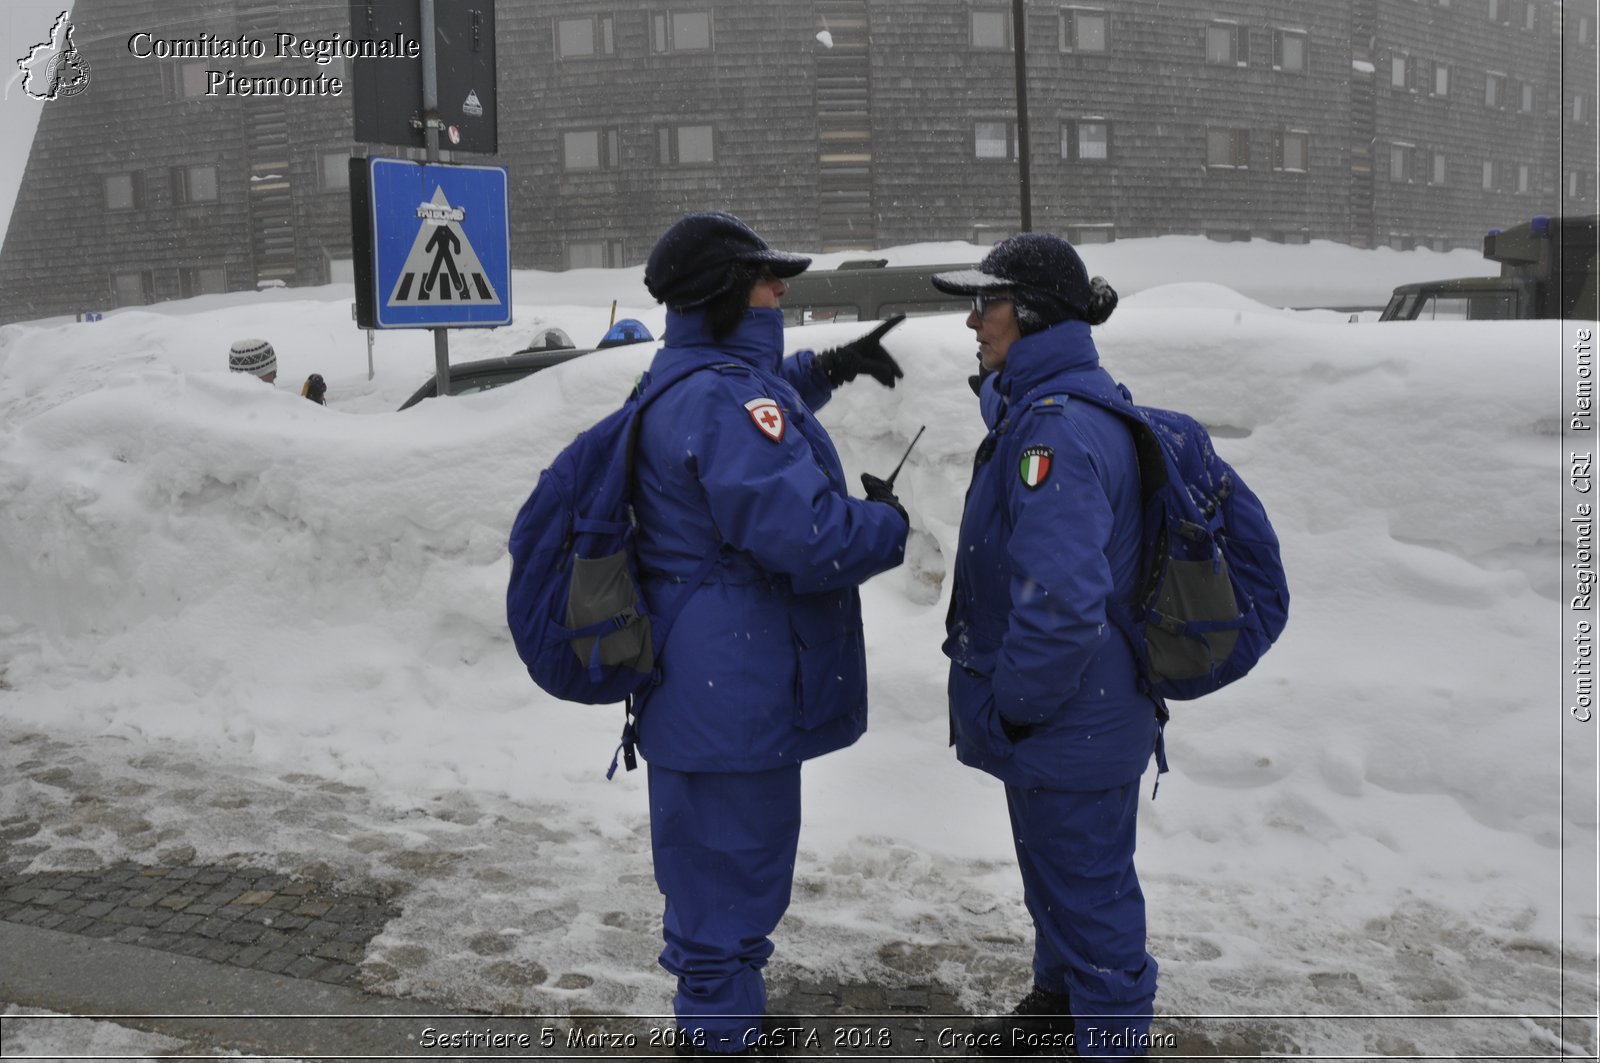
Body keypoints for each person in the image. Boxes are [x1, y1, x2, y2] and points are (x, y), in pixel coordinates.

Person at [632, 211, 910, 1056]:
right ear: (725, 295)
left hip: (704, 690)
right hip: (733, 701)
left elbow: (753, 411)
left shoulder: (687, 375)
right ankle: (721, 1033)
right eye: (764, 279)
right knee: (726, 893)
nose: (780, 290)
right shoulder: (723, 398)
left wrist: (824, 367)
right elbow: (809, 535)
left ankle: (727, 1016)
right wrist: (887, 524)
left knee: (722, 886)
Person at [931, 233, 1162, 1061]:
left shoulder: (1054, 435)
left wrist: (1016, 706)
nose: (972, 322)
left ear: (1027, 314)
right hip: (1077, 717)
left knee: (1093, 904)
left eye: (985, 304)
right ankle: (1058, 1006)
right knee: (1061, 885)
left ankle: (1108, 1039)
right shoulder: (1047, 409)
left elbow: (1061, 604)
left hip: (1071, 717)